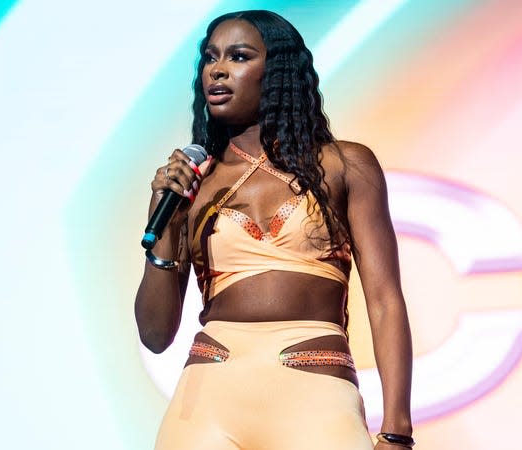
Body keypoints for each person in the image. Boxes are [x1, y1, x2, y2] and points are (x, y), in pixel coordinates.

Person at [135, 10, 413, 450]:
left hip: (317, 396)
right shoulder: (193, 184)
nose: (217, 69)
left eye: (239, 56)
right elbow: (154, 334)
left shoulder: (344, 165)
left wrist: (397, 429)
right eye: (210, 58)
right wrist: (166, 220)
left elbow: (384, 301)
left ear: (278, 71)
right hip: (208, 396)